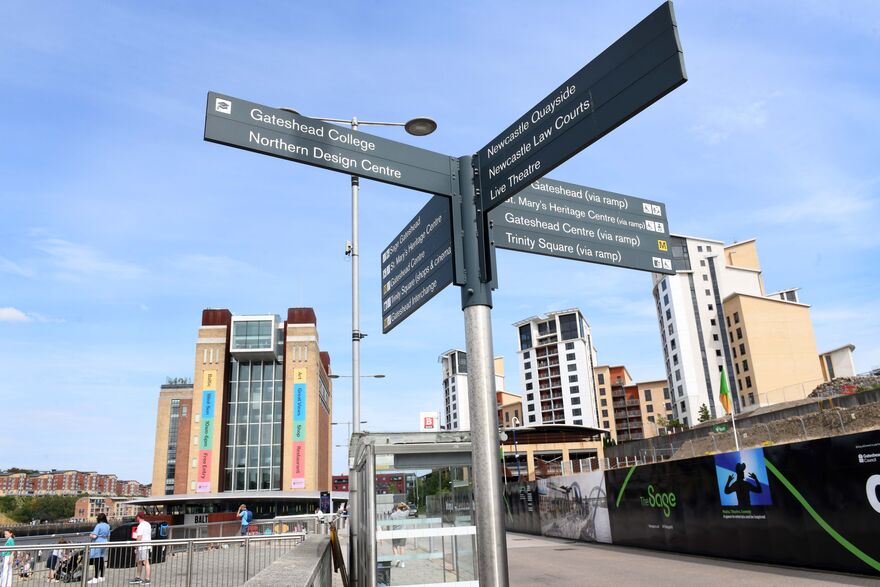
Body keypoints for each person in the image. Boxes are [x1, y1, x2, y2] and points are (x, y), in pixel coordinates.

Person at [87, 513, 111, 584]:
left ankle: (95, 577)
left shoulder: (98, 525)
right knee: (101, 559)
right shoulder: (108, 525)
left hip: (98, 543)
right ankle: (102, 576)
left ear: (99, 519)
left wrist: (90, 535)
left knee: (97, 559)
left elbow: (94, 536)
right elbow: (108, 535)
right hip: (104, 542)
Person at [129, 512, 151, 585]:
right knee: (139, 562)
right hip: (147, 545)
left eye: (137, 516)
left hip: (142, 546)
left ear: (138, 517)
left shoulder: (140, 526)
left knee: (145, 562)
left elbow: (139, 537)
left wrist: (136, 546)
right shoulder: (148, 524)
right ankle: (138, 577)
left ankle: (147, 579)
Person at [389, 503, 409, 568]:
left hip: (395, 532)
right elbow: (409, 509)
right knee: (402, 547)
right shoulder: (404, 513)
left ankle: (397, 558)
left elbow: (389, 523)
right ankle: (403, 563)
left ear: (396, 508)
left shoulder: (392, 515)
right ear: (401, 508)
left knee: (394, 546)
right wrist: (405, 505)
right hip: (403, 532)